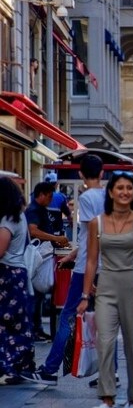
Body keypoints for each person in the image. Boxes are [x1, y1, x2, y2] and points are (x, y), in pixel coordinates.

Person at [77, 172, 133, 408]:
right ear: (110, 192)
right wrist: (85, 294)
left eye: (129, 188)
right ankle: (107, 399)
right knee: (105, 342)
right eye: (119, 188)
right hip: (106, 285)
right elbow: (90, 261)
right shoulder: (97, 222)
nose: (125, 192)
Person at [35, 155, 105, 385]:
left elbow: (90, 238)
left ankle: (50, 369)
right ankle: (109, 372)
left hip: (86, 267)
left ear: (82, 175)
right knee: (106, 319)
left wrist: (79, 258)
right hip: (103, 266)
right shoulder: (109, 197)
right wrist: (74, 255)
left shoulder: (86, 199)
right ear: (102, 173)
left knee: (68, 316)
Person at [0, 176, 45, 386]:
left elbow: (0, 250)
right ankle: (21, 366)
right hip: (17, 275)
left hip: (8, 276)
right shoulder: (19, 216)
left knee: (7, 323)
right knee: (18, 323)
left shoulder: (8, 220)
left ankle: (11, 368)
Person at [25, 181, 70, 342]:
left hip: (44, 256)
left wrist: (56, 241)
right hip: (37, 259)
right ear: (41, 195)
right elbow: (33, 230)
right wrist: (55, 238)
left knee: (39, 295)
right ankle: (33, 329)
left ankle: (36, 328)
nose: (51, 200)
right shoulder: (33, 210)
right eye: (49, 196)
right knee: (35, 295)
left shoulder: (41, 209)